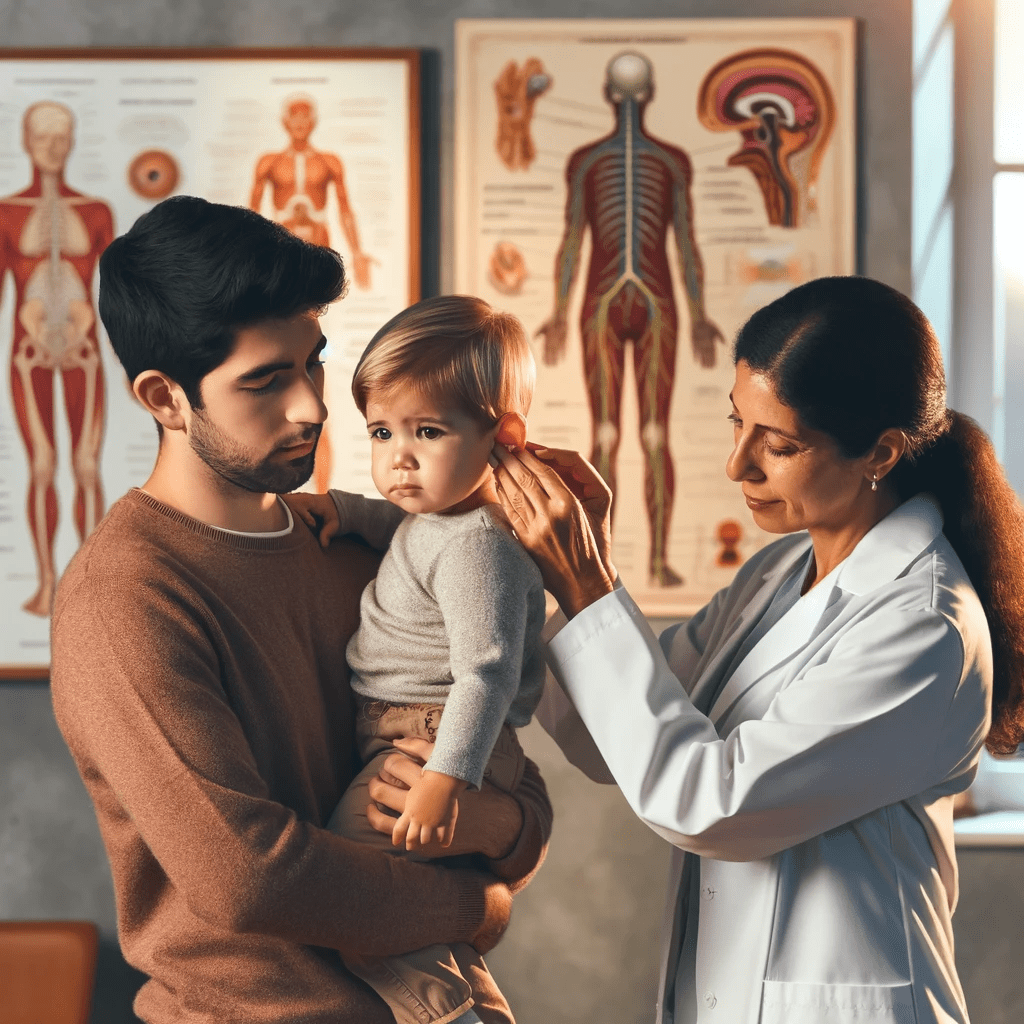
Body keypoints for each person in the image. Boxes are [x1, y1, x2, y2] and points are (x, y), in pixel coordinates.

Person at [48, 196, 552, 1024]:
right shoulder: (125, 599)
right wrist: (475, 906)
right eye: (266, 380)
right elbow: (249, 876)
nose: (313, 408)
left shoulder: (367, 545)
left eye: (312, 363)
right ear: (165, 398)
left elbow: (513, 780)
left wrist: (498, 825)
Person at [492, 275, 1024, 1024]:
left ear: (880, 451)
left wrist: (589, 591)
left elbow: (709, 804)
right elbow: (611, 740)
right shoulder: (778, 572)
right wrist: (557, 568)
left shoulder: (925, 624)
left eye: (779, 445)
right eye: (737, 423)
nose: (738, 465)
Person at [290, 294, 544, 1024]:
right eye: (380, 431)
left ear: (503, 438)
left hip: (436, 739)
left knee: (353, 902)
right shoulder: (446, 517)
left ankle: (449, 1017)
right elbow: (406, 526)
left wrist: (445, 779)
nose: (397, 456)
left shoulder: (476, 546)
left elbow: (486, 672)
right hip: (423, 734)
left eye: (426, 431)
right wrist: (350, 509)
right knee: (424, 926)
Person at [535, 51, 724, 587]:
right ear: (652, 92)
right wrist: (555, 310)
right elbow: (678, 243)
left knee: (634, 433)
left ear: (605, 92)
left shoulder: (596, 160)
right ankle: (629, 562)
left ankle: (637, 561)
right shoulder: (662, 160)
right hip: (648, 299)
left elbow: (579, 240)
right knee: (623, 432)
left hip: (608, 301)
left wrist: (558, 309)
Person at [1, 100, 114, 616]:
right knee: (43, 466)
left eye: (61, 136)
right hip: (28, 356)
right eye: (42, 136)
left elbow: (113, 298)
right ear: (26, 140)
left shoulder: (95, 212)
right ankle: (48, 582)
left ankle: (88, 580)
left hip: (85, 355)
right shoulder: (6, 214)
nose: (52, 146)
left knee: (87, 466)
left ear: (71, 142)